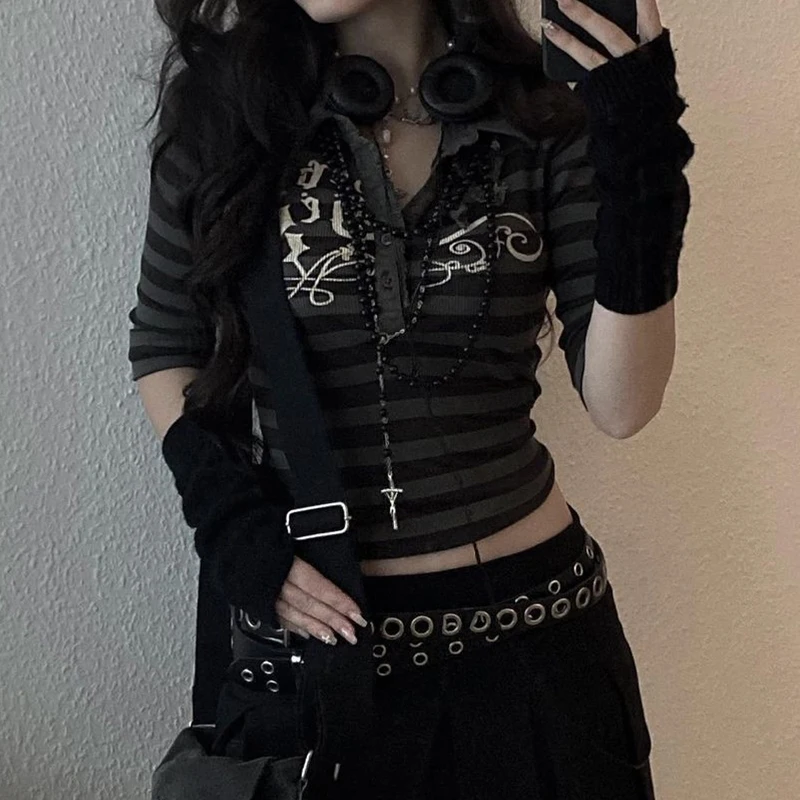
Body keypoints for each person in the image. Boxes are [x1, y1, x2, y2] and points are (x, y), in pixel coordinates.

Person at [129, 0, 695, 797]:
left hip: (540, 647)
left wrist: (642, 160)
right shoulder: (229, 116)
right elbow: (167, 346)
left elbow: (622, 405)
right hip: (329, 665)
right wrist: (230, 519)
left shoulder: (542, 118)